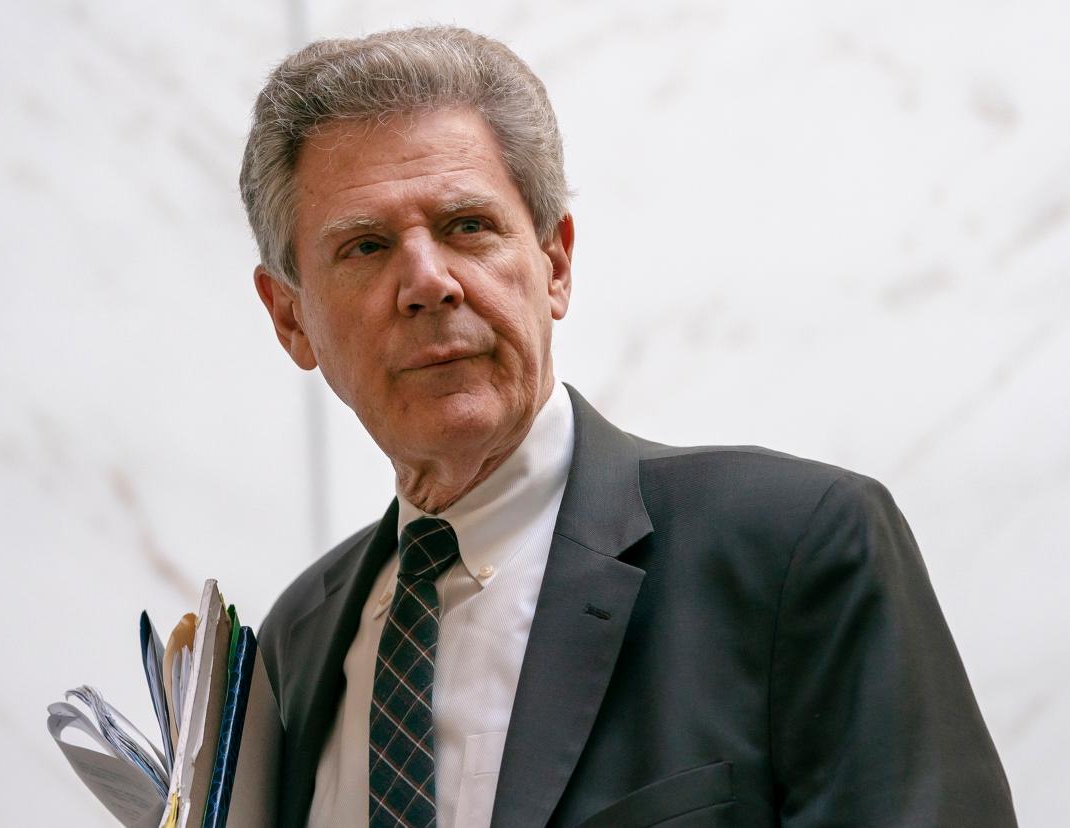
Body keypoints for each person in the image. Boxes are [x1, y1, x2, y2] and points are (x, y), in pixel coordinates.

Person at [240, 26, 1017, 828]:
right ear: (290, 318)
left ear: (556, 263)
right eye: (366, 246)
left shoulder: (793, 551)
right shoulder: (295, 642)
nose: (428, 283)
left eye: (467, 226)